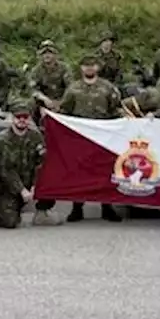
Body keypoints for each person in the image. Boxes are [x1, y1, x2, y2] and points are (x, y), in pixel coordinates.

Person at [55, 54, 124, 223]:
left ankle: (107, 207)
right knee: (79, 172)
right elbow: (65, 110)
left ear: (98, 68)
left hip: (103, 136)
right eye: (86, 65)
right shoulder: (73, 88)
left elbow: (116, 110)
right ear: (81, 68)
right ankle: (77, 208)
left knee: (105, 171)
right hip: (80, 136)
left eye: (92, 65)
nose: (89, 68)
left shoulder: (108, 88)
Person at [0, 109, 58, 227]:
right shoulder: (2, 140)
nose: (22, 120)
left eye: (25, 117)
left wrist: (34, 185)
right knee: (9, 222)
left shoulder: (36, 136)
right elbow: (5, 170)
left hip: (29, 181)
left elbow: (41, 162)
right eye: (18, 117)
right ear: (12, 119)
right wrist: (22, 190)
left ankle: (43, 212)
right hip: (9, 185)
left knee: (52, 176)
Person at [27, 40, 70, 122]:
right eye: (44, 53)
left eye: (50, 53)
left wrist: (61, 102)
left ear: (55, 54)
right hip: (44, 101)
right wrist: (44, 99)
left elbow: (70, 87)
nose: (47, 56)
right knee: (31, 103)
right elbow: (32, 89)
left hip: (61, 100)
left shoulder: (64, 68)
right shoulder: (36, 70)